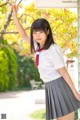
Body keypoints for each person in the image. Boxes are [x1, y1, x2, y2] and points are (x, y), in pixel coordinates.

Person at [12, 5, 80, 120]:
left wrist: (76, 93)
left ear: (47, 32)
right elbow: (23, 35)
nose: (37, 35)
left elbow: (63, 72)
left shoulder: (52, 49)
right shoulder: (37, 47)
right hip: (50, 86)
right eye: (35, 33)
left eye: (40, 32)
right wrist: (15, 17)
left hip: (59, 85)